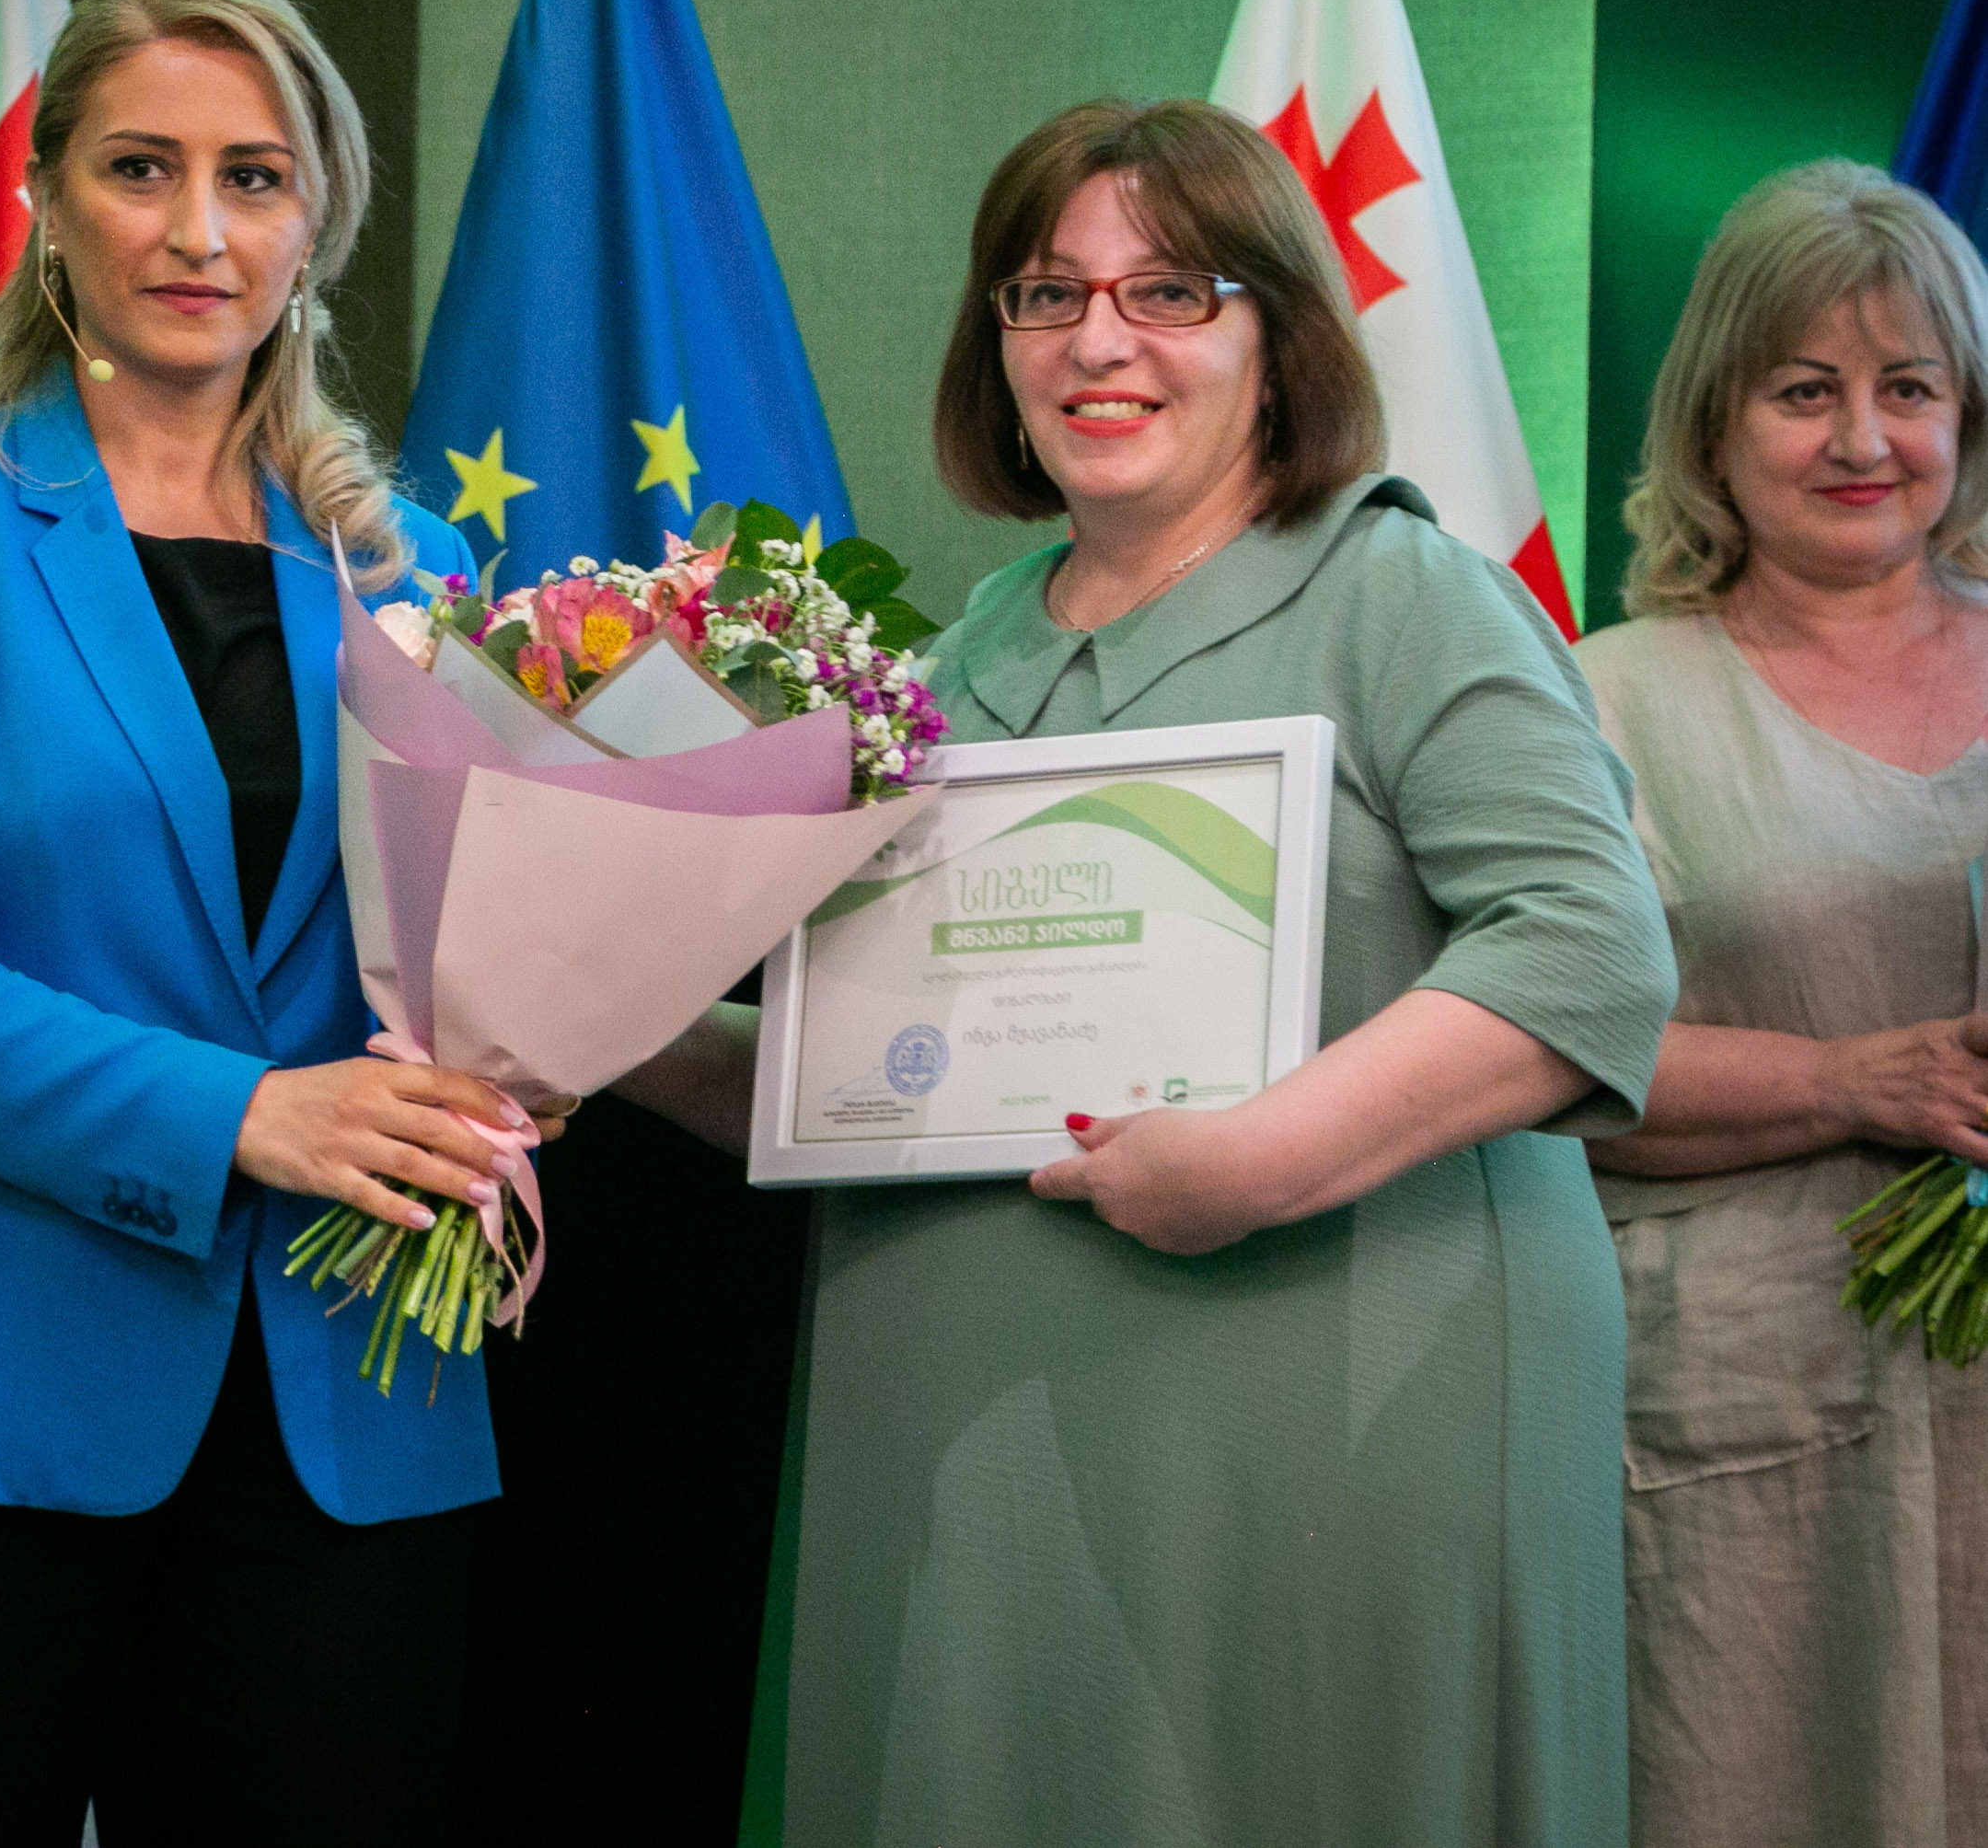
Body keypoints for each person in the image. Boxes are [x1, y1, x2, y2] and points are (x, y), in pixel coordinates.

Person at [624, 97, 1675, 1846]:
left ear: (1278, 337)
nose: (1097, 340)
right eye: (1046, 293)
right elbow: (851, 1080)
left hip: (1338, 1414)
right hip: (969, 1439)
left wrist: (1268, 1158)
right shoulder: (932, 672)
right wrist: (590, 1025)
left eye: (1170, 290)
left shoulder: (1403, 593)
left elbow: (1587, 947)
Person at [0, 0, 535, 1842]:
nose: (197, 230)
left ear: (315, 222)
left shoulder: (420, 573)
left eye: (253, 177)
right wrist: (246, 1114)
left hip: (348, 1427)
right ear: (45, 202)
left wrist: (520, 1059)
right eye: (139, 167)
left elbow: (465, 954)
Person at [1575, 159, 1988, 1848]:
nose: (1861, 440)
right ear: (1711, 422)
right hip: (1754, 1438)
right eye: (1803, 391)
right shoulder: (1597, 702)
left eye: (1909, 389)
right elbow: (1547, 1069)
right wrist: (1850, 1079)